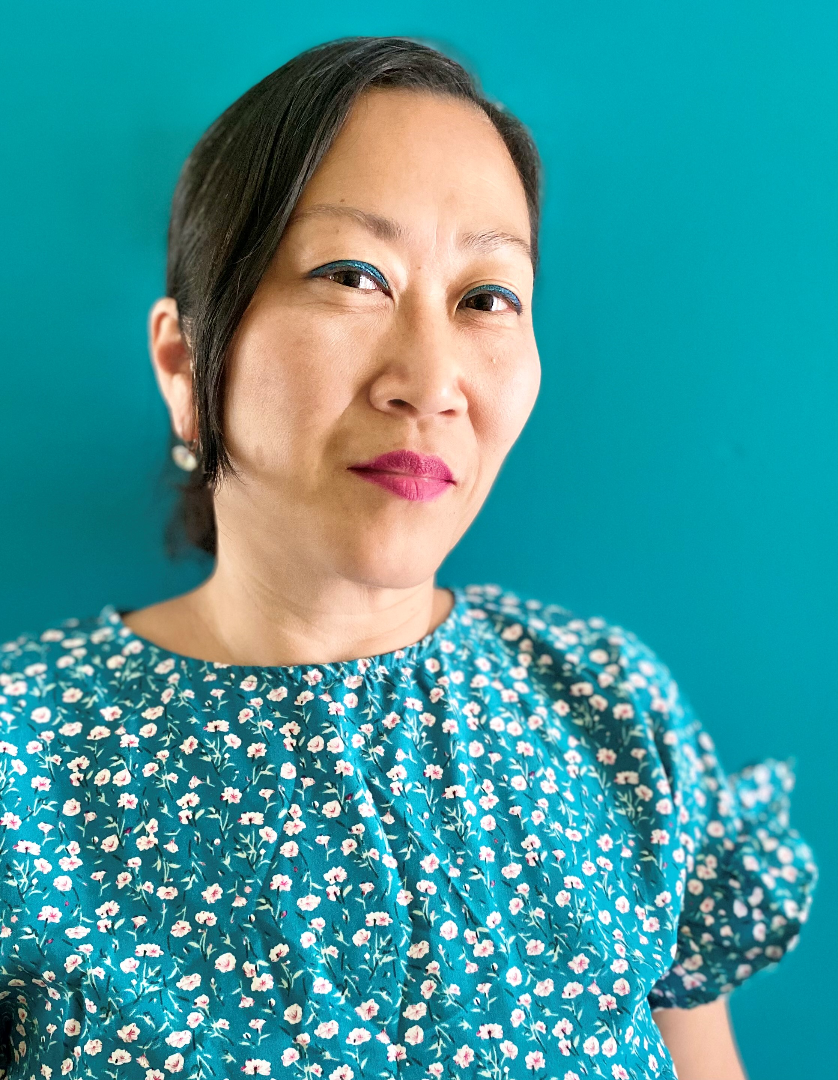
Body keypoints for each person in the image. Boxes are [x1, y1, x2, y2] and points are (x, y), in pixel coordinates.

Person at [0, 36, 816, 1080]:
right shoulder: (23, 762)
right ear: (183, 358)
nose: (430, 381)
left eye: (486, 298)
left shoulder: (609, 710)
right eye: (352, 276)